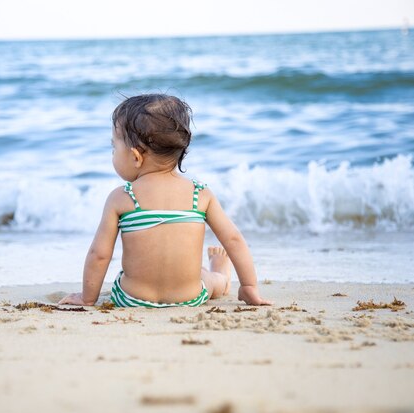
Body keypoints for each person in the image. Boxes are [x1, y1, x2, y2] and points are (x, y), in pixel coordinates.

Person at [59, 94, 272, 308]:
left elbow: (99, 255)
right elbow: (233, 240)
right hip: (189, 297)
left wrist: (87, 298)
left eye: (114, 147)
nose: (113, 154)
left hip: (132, 299)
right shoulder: (200, 193)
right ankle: (221, 276)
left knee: (133, 275)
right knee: (207, 279)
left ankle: (213, 273)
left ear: (135, 157)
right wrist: (249, 287)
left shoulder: (122, 197)